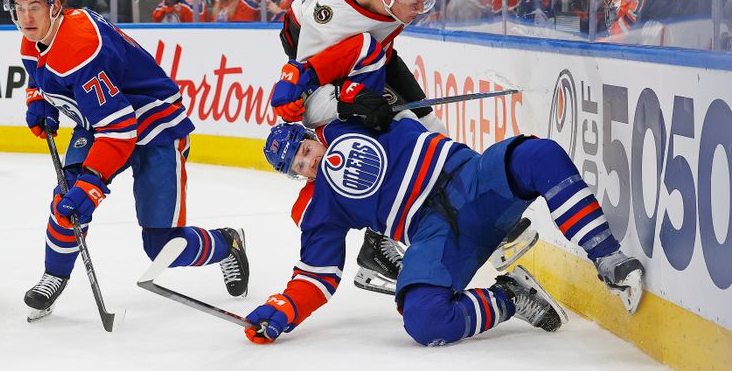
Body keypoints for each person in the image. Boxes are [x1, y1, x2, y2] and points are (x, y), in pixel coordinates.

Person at [271, 0, 508, 295]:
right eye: (416, 1)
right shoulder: (332, 27)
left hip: (371, 46)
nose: (423, 9)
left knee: (426, 122)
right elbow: (305, 102)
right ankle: (376, 247)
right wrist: (348, 105)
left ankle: (473, 196)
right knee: (372, 137)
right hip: (319, 50)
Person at [246, 89, 645, 345]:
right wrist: (284, 309)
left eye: (304, 151)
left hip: (470, 180)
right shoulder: (318, 207)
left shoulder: (350, 117)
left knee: (538, 156)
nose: (307, 164)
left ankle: (607, 257)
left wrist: (329, 84)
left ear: (311, 136)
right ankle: (510, 297)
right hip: (434, 233)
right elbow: (317, 274)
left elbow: (372, 40)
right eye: (297, 167)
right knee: (423, 319)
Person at [6, 0, 249, 319]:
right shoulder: (35, 37)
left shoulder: (80, 46)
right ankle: (54, 275)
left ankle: (227, 244)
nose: (26, 17)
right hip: (103, 123)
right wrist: (39, 100)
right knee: (65, 199)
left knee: (162, 245)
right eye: (20, 7)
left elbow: (119, 129)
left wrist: (92, 184)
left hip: (155, 129)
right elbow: (40, 73)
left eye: (34, 7)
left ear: (56, 4)